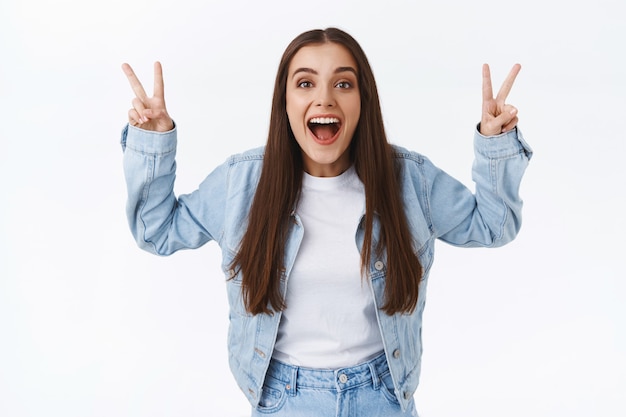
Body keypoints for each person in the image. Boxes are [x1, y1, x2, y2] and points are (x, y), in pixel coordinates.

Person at [120, 27, 531, 417]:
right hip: (285, 399)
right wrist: (153, 143)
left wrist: (494, 144)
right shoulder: (241, 182)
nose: (324, 99)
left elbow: (494, 226)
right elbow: (157, 230)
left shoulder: (409, 179)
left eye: (343, 83)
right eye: (305, 83)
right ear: (285, 102)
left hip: (384, 397)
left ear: (362, 100)